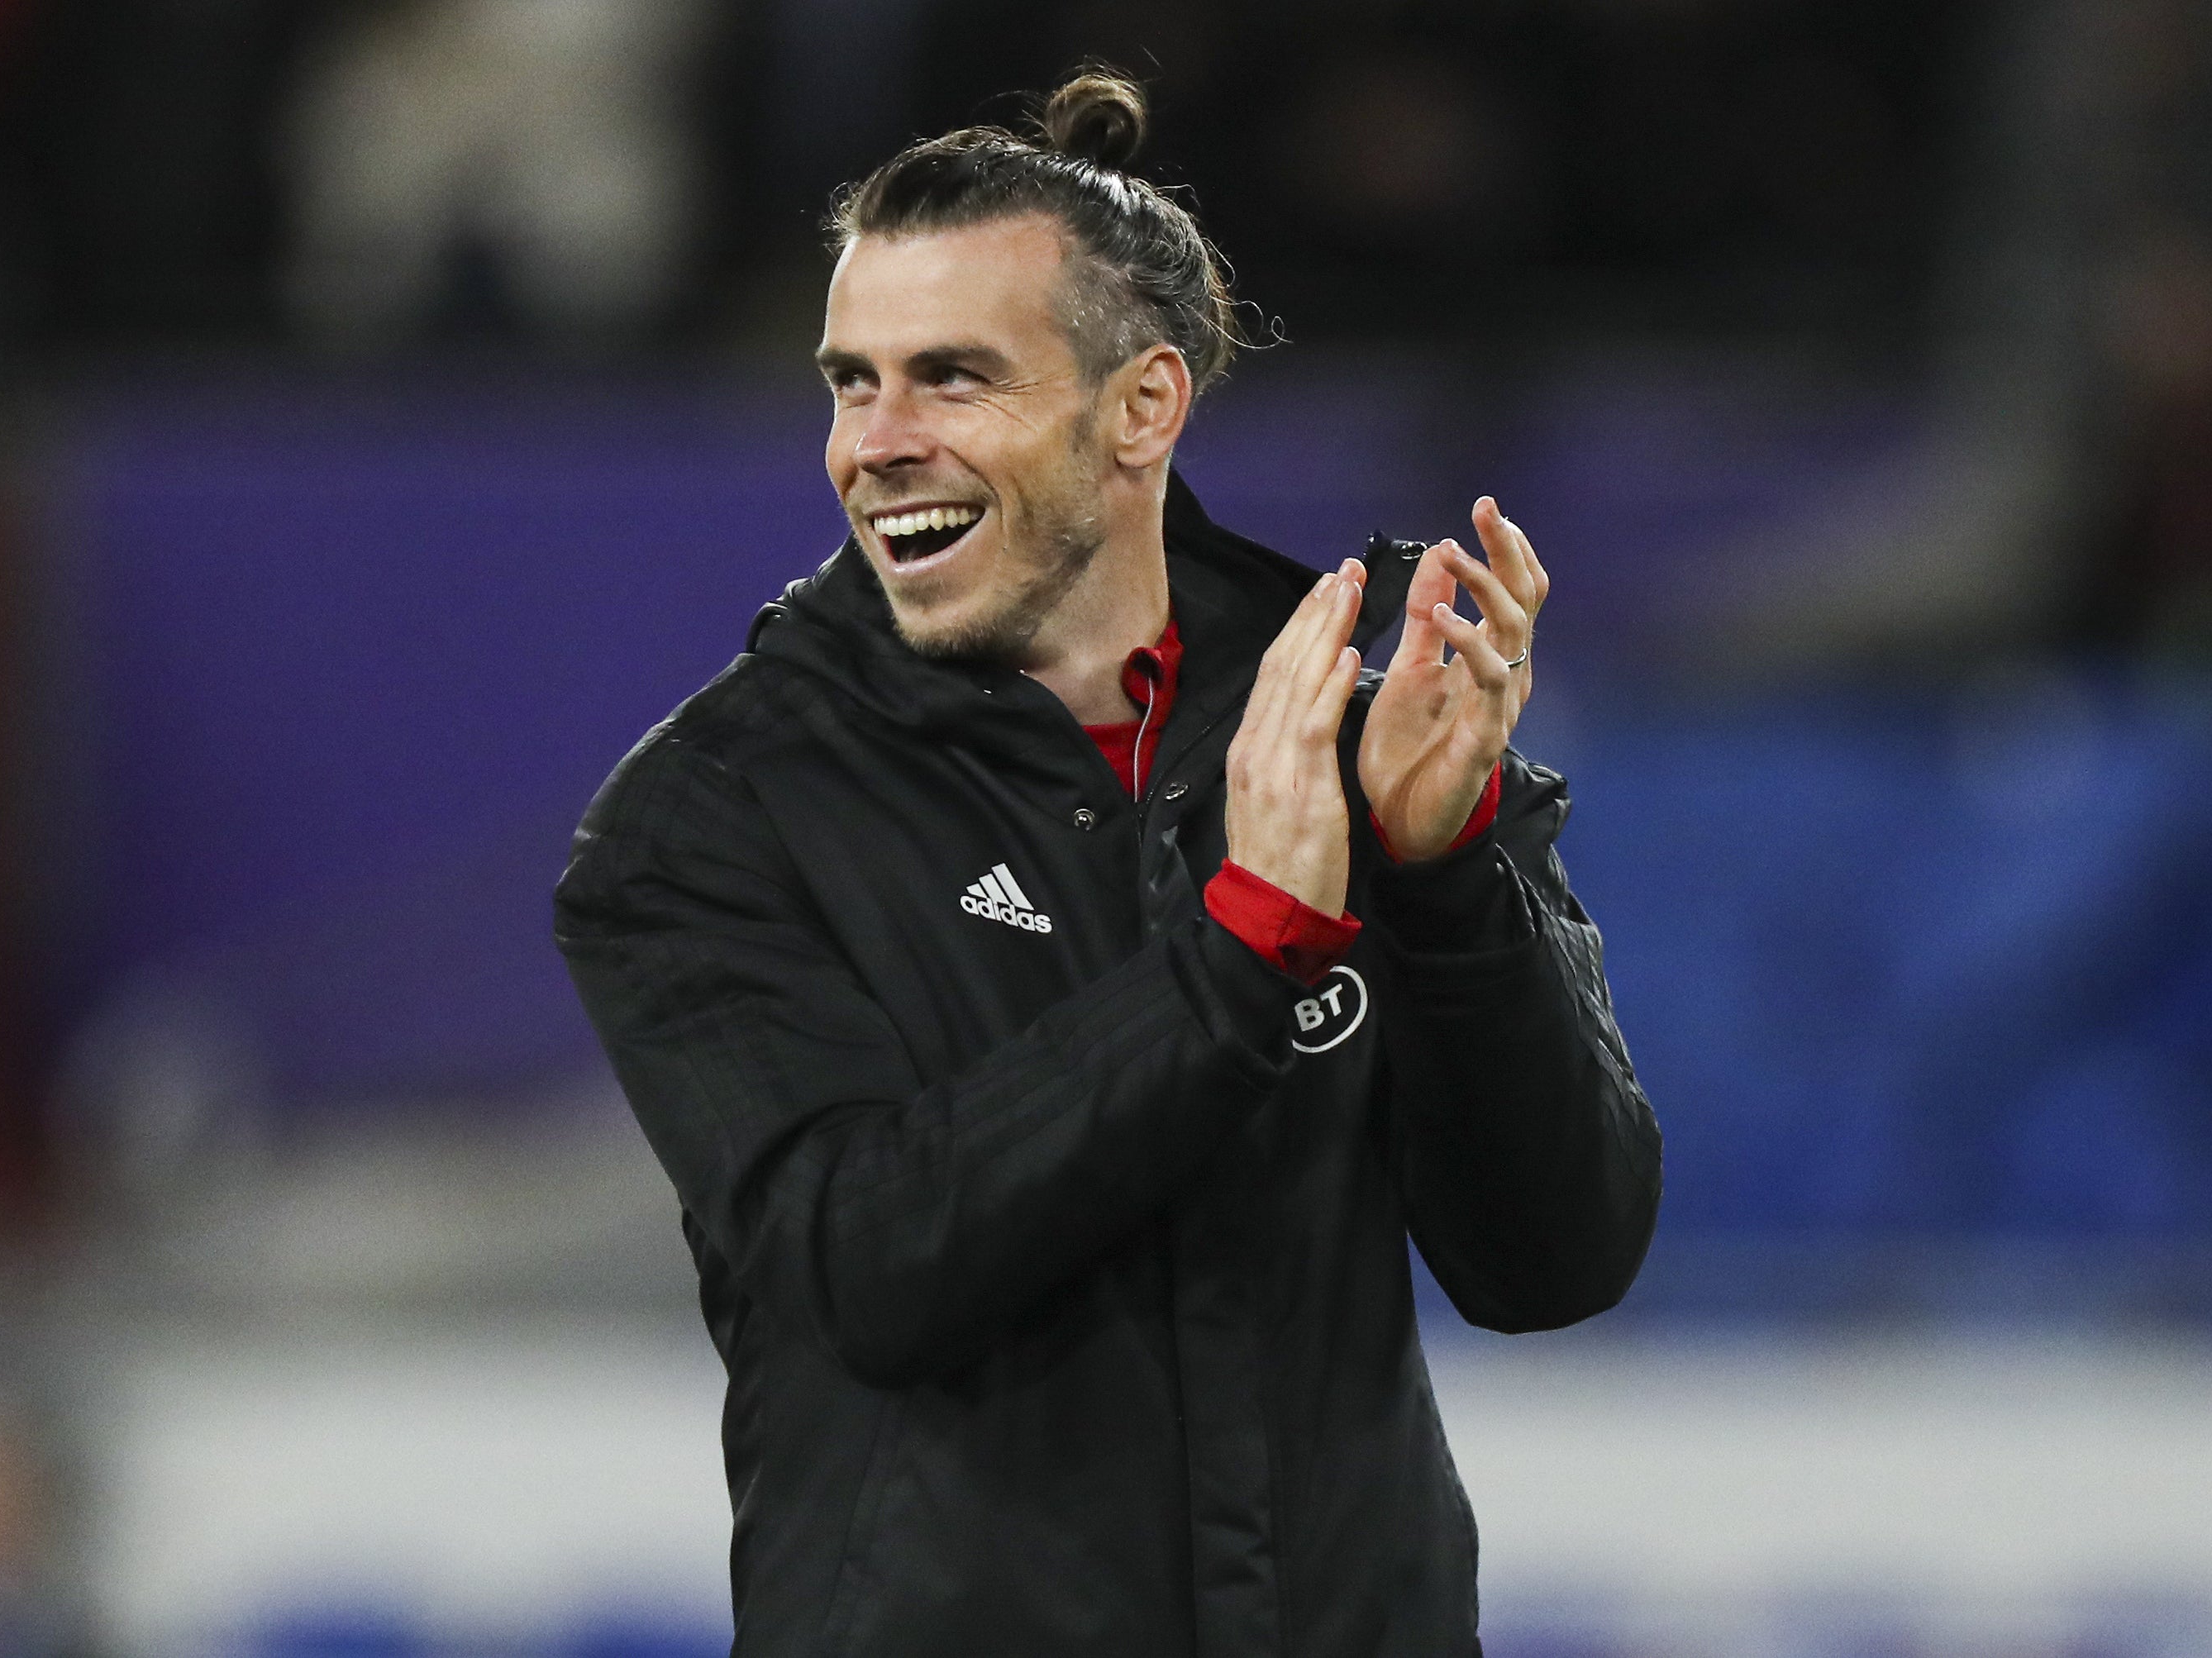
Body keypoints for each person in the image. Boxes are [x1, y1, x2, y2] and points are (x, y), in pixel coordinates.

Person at [553, 69, 1661, 1658]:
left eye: (949, 378)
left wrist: (1445, 877)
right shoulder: (710, 819)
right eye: (848, 382)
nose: (876, 443)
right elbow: (868, 1265)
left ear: (1140, 406)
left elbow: (1558, 1256)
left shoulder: (1349, 729)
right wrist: (1242, 952)